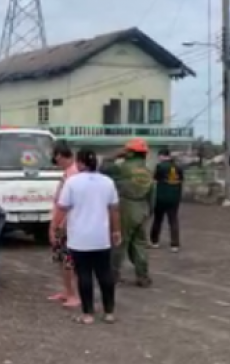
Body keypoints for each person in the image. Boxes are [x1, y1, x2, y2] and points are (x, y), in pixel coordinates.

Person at [52, 148, 121, 325]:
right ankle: (109, 312)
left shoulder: (72, 182)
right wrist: (116, 231)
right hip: (101, 237)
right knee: (105, 274)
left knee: (84, 275)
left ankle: (88, 314)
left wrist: (54, 228)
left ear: (80, 163)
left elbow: (62, 208)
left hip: (79, 238)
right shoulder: (108, 182)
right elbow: (114, 209)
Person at [102, 138, 154, 287]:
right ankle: (143, 276)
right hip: (142, 208)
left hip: (126, 206)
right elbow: (152, 194)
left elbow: (104, 167)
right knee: (139, 244)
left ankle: (113, 274)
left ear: (130, 153)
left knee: (119, 241)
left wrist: (114, 155)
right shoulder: (148, 171)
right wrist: (149, 211)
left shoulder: (121, 168)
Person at [47, 140, 81, 308]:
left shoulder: (74, 173)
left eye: (55, 157)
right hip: (60, 221)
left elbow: (72, 203)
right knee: (61, 259)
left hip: (66, 223)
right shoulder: (68, 172)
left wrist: (61, 224)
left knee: (68, 261)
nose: (56, 161)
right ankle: (67, 291)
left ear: (60, 155)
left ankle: (74, 294)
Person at [150, 148, 184, 252]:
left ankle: (155, 242)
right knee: (173, 220)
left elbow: (154, 180)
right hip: (174, 198)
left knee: (157, 220)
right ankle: (175, 245)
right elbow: (181, 180)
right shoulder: (178, 167)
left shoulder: (160, 166)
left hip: (161, 197)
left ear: (162, 155)